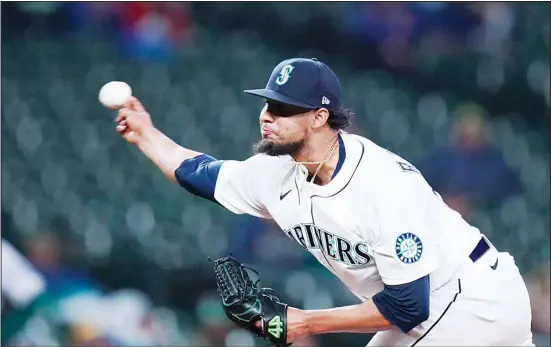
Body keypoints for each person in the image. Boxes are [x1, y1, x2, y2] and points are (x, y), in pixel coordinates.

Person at [115, 57, 534, 346]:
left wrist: (305, 321)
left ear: (319, 117)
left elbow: (409, 305)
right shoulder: (273, 171)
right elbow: (197, 174)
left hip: (471, 299)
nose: (266, 115)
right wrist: (145, 133)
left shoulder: (381, 183)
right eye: (266, 103)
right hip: (437, 309)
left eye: (282, 108)